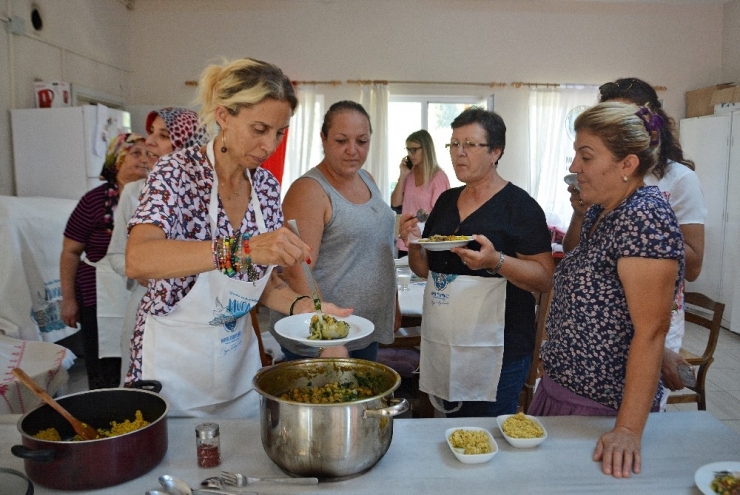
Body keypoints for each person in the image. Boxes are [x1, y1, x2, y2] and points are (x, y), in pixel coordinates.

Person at [124, 58, 350, 418]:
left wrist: (304, 309)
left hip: (235, 367)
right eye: (259, 128)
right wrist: (242, 249)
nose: (269, 145)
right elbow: (139, 260)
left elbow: (260, 284)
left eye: (279, 132)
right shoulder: (176, 173)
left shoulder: (264, 187)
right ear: (224, 116)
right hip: (173, 369)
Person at [529, 102, 685, 478]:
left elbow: (650, 330)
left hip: (600, 410)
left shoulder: (644, 218)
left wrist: (628, 431)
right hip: (563, 391)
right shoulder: (605, 210)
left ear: (626, 165)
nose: (573, 168)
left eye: (586, 156)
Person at [398, 107, 554, 418]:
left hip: (499, 348)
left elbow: (544, 278)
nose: (459, 153)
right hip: (448, 340)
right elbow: (426, 269)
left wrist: (495, 261)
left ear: (496, 151)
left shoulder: (520, 207)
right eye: (454, 144)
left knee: (488, 435)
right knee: (452, 429)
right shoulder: (445, 202)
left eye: (470, 145)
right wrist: (414, 244)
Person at [563, 77, 707, 409]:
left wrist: (636, 242)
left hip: (652, 315)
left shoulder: (677, 180)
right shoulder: (601, 177)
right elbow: (577, 252)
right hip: (603, 332)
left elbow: (694, 264)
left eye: (627, 117)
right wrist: (583, 213)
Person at [269, 101, 397, 362]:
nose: (353, 151)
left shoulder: (367, 179)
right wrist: (326, 333)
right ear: (323, 139)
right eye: (341, 141)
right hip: (325, 340)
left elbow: (376, 247)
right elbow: (297, 270)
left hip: (362, 330)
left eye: (362, 141)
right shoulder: (309, 190)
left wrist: (390, 303)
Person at [108, 107, 208, 383]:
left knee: (189, 385)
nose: (149, 142)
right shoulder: (134, 192)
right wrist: (141, 272)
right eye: (151, 133)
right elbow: (117, 255)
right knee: (142, 384)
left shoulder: (209, 194)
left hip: (196, 307)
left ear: (188, 145)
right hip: (145, 305)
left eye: (163, 136)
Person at [60, 132, 148, 389]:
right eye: (135, 153)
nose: (144, 160)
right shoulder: (94, 201)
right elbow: (70, 252)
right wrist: (68, 299)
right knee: (105, 369)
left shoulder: (152, 197)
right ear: (117, 159)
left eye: (147, 154)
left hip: (140, 288)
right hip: (98, 295)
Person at [390, 129, 450, 257]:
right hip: (406, 241)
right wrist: (402, 175)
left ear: (426, 149)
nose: (410, 154)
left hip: (426, 243)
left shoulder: (438, 178)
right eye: (408, 150)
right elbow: (395, 203)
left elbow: (441, 216)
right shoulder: (409, 174)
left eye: (414, 150)